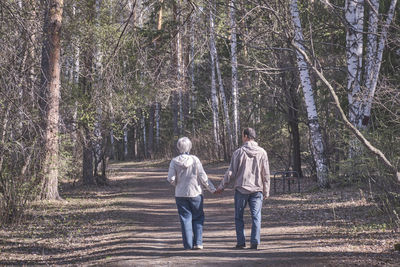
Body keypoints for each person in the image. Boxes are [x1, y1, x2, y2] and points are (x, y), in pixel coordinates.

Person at [215, 127, 270, 249]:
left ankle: (241, 242)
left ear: (245, 136)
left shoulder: (238, 152)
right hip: (257, 190)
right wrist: (266, 190)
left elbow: (231, 172)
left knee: (239, 216)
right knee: (256, 216)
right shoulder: (262, 152)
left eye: (242, 135)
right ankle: (255, 241)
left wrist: (221, 186)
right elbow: (265, 173)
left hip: (241, 189)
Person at [167, 137, 216, 250]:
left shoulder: (174, 161)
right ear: (190, 147)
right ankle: (198, 243)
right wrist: (212, 189)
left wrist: (177, 184)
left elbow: (171, 178)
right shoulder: (195, 160)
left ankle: (188, 245)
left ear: (178, 147)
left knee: (185, 219)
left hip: (180, 194)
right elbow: (203, 177)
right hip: (196, 193)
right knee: (198, 217)